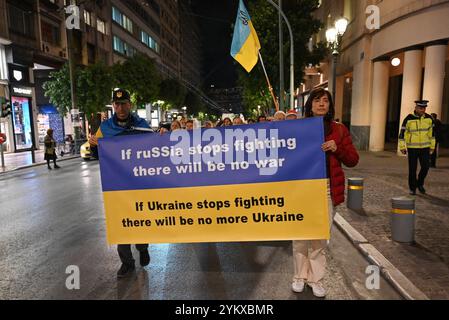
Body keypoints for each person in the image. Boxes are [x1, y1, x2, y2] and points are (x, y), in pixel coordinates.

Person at [291, 88, 359, 297]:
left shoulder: (339, 130)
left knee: (320, 237)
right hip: (303, 189)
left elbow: (353, 160)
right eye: (317, 100)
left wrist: (337, 147)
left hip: (328, 190)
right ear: (310, 104)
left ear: (330, 105)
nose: (321, 104)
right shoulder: (298, 128)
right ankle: (299, 276)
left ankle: (316, 279)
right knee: (300, 236)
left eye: (325, 101)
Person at [89, 88, 151, 278]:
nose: (120, 107)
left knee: (139, 219)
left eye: (124, 103)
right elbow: (97, 156)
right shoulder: (105, 128)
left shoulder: (142, 125)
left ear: (130, 104)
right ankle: (126, 263)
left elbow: (154, 151)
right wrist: (93, 145)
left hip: (139, 183)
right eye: (117, 104)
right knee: (120, 222)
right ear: (113, 105)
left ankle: (142, 247)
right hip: (116, 184)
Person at [398, 100, 435, 195]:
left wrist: (432, 146)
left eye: (424, 108)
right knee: (412, 169)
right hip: (412, 148)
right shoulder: (408, 118)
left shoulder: (429, 118)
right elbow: (402, 134)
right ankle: (412, 188)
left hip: (425, 148)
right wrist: (402, 147)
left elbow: (433, 135)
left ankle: (420, 183)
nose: (423, 110)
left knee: (426, 167)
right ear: (416, 108)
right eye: (421, 108)